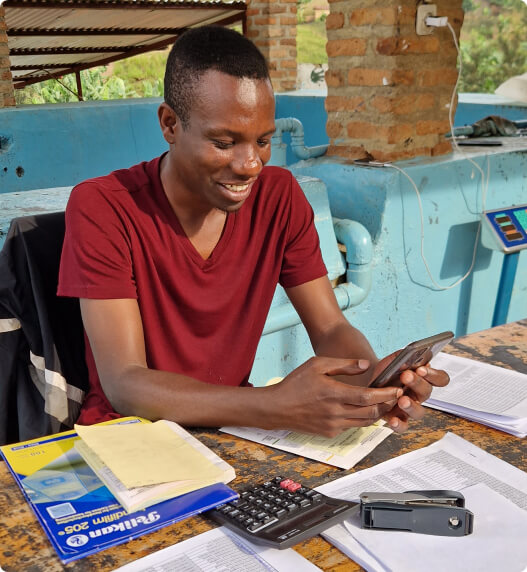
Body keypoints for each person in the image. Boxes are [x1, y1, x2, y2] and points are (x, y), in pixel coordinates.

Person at [57, 26, 449, 437]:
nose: (250, 165)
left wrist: (374, 387)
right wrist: (273, 406)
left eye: (263, 140)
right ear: (170, 124)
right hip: (130, 437)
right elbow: (126, 383)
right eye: (225, 142)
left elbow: (331, 329)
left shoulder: (278, 199)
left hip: (234, 429)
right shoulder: (104, 207)